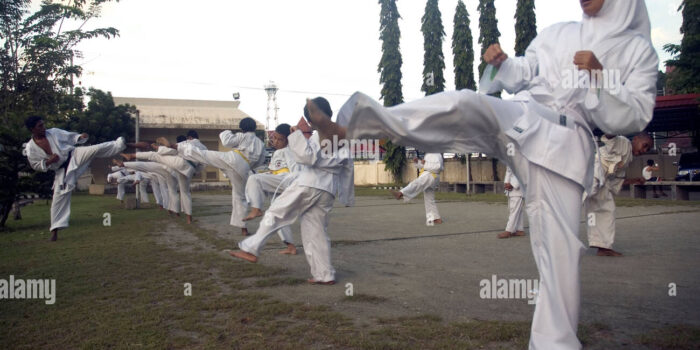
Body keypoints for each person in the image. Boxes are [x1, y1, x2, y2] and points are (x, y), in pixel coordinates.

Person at [313, 1, 657, 347]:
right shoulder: (559, 33)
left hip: (566, 146)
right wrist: (503, 63)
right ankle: (358, 124)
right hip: (523, 117)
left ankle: (555, 343)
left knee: (559, 253)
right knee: (465, 104)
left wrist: (599, 78)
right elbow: (525, 70)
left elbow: (635, 116)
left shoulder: (638, 51)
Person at [229, 98, 355, 285]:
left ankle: (251, 249)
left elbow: (307, 158)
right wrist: (346, 196)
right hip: (327, 189)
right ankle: (324, 274)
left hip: (310, 183)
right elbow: (348, 169)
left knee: (276, 212)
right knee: (316, 232)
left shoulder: (319, 134)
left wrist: (295, 137)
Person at [23, 116, 126, 241]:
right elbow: (35, 165)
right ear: (32, 129)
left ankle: (119, 144)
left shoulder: (53, 132)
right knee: (58, 199)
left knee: (94, 149)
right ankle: (55, 230)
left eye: (43, 124)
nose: (43, 128)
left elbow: (69, 137)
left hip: (74, 155)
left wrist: (79, 137)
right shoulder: (30, 148)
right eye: (40, 126)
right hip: (62, 170)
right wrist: (49, 161)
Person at [178, 118, 265, 236]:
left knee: (206, 155)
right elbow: (260, 162)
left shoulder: (242, 136)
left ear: (242, 128)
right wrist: (246, 165)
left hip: (233, 159)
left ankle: (177, 147)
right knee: (240, 197)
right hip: (245, 168)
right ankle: (243, 228)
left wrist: (227, 131)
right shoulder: (261, 143)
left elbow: (226, 141)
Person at [584, 134, 650, 256]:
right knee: (574, 202)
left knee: (608, 210)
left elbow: (617, 179)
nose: (644, 151)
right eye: (644, 145)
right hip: (593, 172)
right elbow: (609, 136)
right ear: (636, 139)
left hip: (604, 181)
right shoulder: (623, 142)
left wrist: (634, 180)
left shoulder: (628, 158)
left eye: (647, 149)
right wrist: (619, 123)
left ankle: (603, 247)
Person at [243, 123, 299, 255]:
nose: (277, 142)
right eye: (276, 138)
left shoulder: (288, 151)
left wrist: (292, 187)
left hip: (286, 181)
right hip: (278, 182)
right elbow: (274, 171)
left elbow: (295, 170)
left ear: (288, 140)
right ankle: (290, 246)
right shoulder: (278, 152)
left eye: (281, 139)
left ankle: (256, 208)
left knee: (254, 179)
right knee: (277, 216)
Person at [390, 153, 444, 225]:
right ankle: (436, 218)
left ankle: (401, 193)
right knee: (429, 199)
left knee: (416, 183)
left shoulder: (437, 154)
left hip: (431, 175)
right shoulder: (428, 154)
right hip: (429, 175)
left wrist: (426, 163)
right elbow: (423, 166)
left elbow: (438, 167)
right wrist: (417, 162)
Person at [498, 166, 525, 239]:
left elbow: (522, 171)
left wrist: (512, 184)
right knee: (516, 210)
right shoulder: (510, 156)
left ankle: (508, 230)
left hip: (517, 188)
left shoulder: (520, 156)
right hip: (510, 187)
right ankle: (519, 229)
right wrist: (506, 182)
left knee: (514, 210)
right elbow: (508, 171)